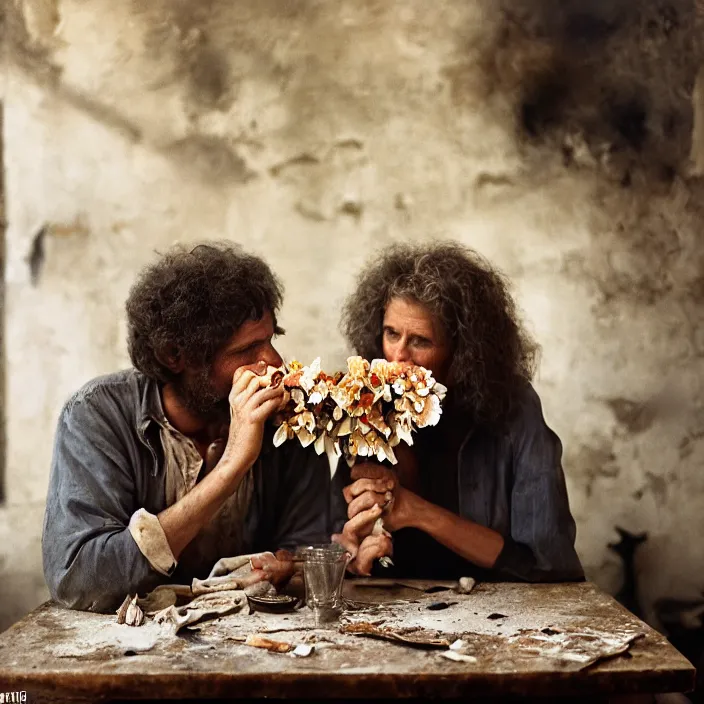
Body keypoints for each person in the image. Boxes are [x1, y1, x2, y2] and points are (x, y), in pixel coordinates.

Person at [42, 242, 330, 611]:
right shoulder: (95, 416)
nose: (273, 363)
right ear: (174, 356)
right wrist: (231, 466)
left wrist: (287, 566)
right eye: (246, 350)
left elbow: (310, 547)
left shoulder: (289, 420)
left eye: (271, 340)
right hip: (127, 652)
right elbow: (78, 580)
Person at [331, 242, 584, 582]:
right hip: (398, 611)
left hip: (498, 615)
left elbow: (551, 562)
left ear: (462, 351)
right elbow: (331, 540)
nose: (398, 357)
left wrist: (417, 512)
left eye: (420, 341)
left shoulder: (515, 408)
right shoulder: (363, 406)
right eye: (391, 334)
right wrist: (354, 556)